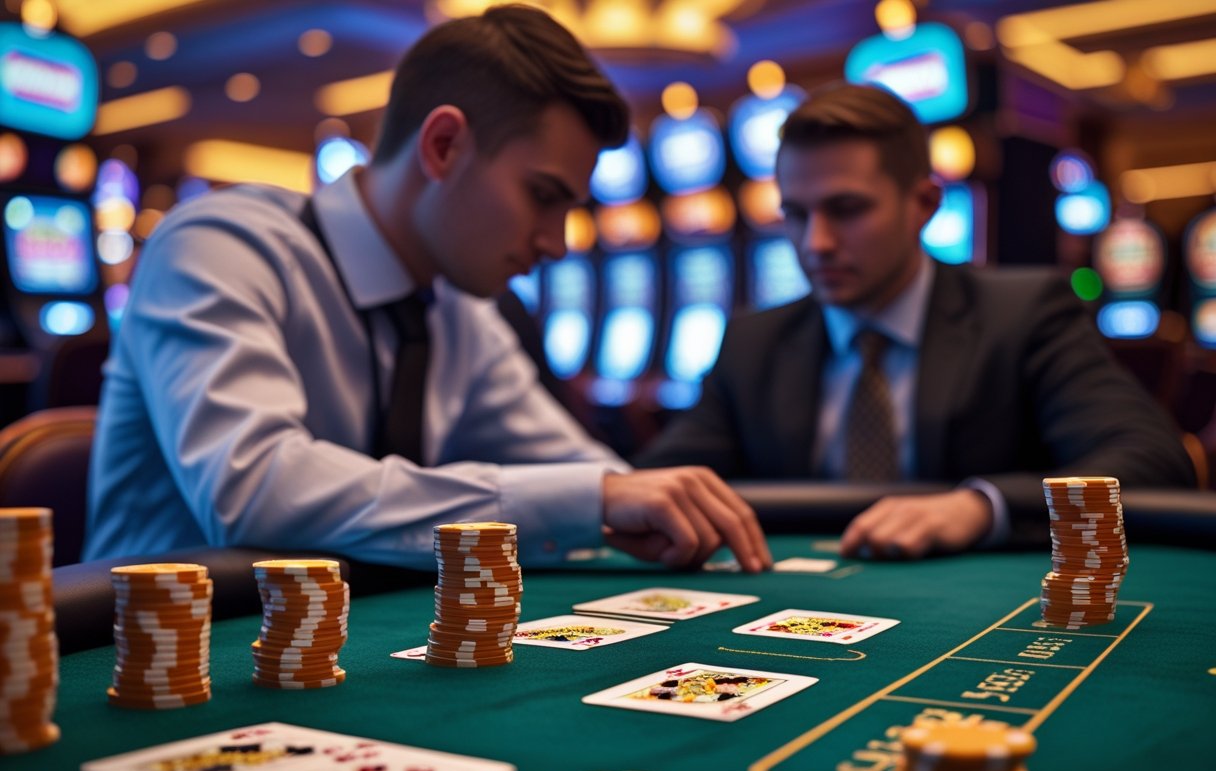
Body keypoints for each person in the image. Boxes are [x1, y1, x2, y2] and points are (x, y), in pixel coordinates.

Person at [84, 5, 770, 573]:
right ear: (444, 146)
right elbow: (256, 488)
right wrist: (591, 496)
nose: (557, 243)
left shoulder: (458, 310)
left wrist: (640, 499)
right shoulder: (219, 245)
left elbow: (583, 472)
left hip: (336, 650)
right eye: (542, 197)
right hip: (152, 659)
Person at [634, 82, 1194, 557]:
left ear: (924, 204)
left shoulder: (1024, 313)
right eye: (797, 215)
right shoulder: (752, 340)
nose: (816, 243)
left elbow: (1151, 459)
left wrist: (982, 505)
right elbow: (661, 483)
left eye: (847, 209)